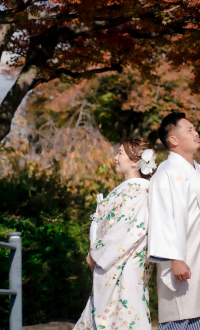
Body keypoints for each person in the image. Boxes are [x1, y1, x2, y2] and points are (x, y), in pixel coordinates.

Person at [147, 112, 200, 330]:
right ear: (173, 139)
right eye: (190, 129)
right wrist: (175, 258)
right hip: (185, 253)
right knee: (185, 313)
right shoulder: (165, 173)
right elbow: (161, 218)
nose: (196, 133)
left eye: (195, 129)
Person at [73, 137, 157, 330]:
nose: (115, 157)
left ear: (135, 161)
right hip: (114, 262)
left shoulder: (139, 192)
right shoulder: (127, 189)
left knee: (124, 316)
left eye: (120, 153)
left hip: (125, 263)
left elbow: (124, 230)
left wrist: (95, 252)